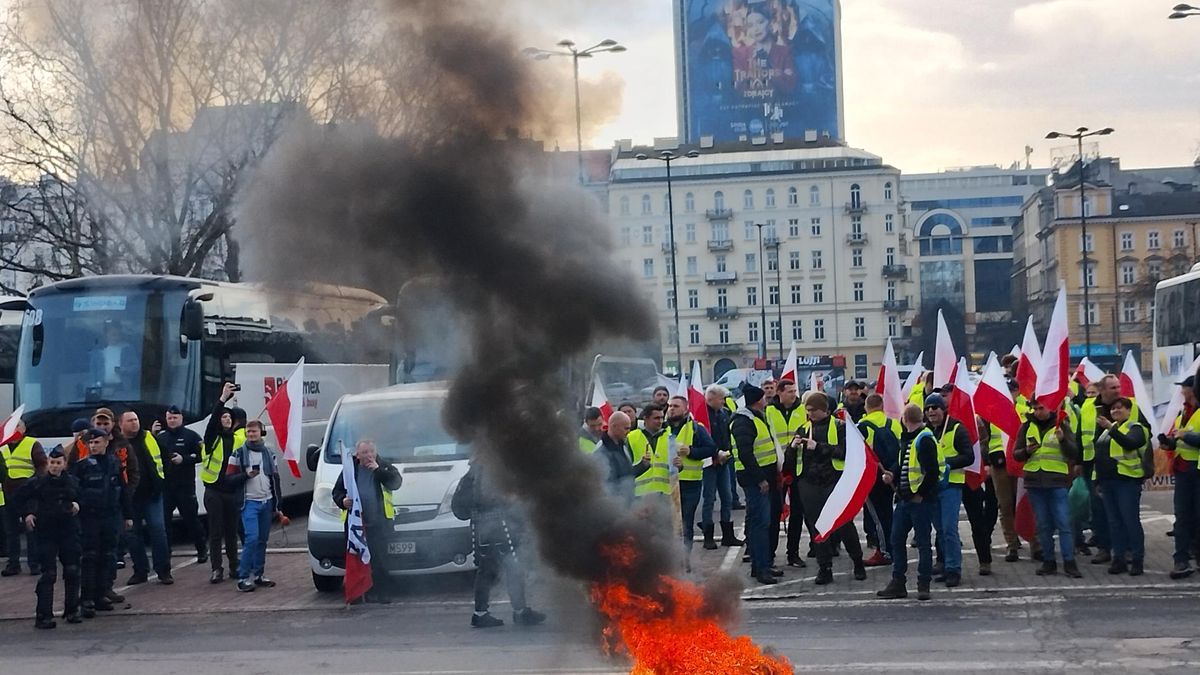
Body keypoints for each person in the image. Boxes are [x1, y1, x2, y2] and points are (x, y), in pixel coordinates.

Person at [464, 461, 545, 628]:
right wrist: (510, 498)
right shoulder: (488, 467)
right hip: (496, 526)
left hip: (488, 526)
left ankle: (485, 613)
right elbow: (488, 497)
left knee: (492, 569)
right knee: (509, 566)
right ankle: (515, 612)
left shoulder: (478, 467)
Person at [796, 392, 867, 585]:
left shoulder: (840, 427)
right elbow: (793, 460)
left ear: (824, 410)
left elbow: (845, 452)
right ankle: (824, 568)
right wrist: (793, 448)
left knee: (844, 524)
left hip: (834, 481)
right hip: (810, 483)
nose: (810, 414)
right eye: (808, 410)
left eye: (813, 410)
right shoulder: (803, 428)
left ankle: (858, 562)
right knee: (818, 528)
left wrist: (819, 447)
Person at [877, 404, 940, 601]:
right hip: (905, 499)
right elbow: (902, 463)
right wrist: (892, 474)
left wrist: (920, 493)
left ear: (905, 419)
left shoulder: (924, 439)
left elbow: (933, 472)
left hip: (919, 501)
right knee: (897, 539)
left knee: (921, 542)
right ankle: (900, 583)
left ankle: (922, 583)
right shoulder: (910, 439)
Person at [13, 447, 82, 628]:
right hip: (46, 531)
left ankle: (72, 610)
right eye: (52, 463)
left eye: (58, 463)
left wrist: (77, 504)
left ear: (64, 464)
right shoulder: (38, 483)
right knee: (48, 574)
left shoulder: (73, 482)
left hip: (68, 530)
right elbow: (18, 499)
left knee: (72, 570)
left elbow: (84, 498)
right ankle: (44, 615)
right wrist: (27, 514)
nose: (54, 466)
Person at [1014, 400, 1082, 578]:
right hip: (1035, 483)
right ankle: (1049, 561)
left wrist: (1063, 440)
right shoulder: (1026, 426)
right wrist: (1027, 451)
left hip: (1057, 482)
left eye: (1041, 408)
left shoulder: (1061, 425)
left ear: (1050, 407)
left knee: (1063, 523)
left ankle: (1069, 562)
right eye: (1035, 409)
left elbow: (1074, 452)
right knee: (1043, 525)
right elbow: (1016, 454)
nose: (1038, 412)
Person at [71, 428, 132, 618]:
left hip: (110, 516)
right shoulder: (82, 466)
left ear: (106, 442)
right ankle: (87, 599)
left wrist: (128, 515)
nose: (93, 446)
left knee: (108, 556)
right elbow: (73, 490)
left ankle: (101, 594)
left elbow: (122, 489)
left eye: (97, 442)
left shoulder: (114, 463)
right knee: (90, 557)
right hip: (89, 517)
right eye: (91, 443)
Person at [333, 439, 403, 602]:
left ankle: (383, 593)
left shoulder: (383, 466)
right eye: (365, 452)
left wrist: (378, 471)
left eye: (372, 451)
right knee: (358, 560)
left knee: (380, 560)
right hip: (357, 525)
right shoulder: (350, 469)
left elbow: (396, 483)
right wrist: (342, 501)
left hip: (379, 523)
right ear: (357, 455)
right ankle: (360, 593)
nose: (369, 455)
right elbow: (337, 491)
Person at [1095, 397, 1150, 576]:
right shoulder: (1107, 430)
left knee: (1130, 521)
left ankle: (1137, 560)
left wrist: (1110, 428)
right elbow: (1100, 455)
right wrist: (1097, 480)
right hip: (1108, 481)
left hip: (1127, 481)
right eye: (1113, 409)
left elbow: (1130, 443)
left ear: (1129, 410)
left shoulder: (1136, 428)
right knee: (1115, 523)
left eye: (1120, 408)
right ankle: (1118, 559)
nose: (1115, 411)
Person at [923, 394, 973, 587]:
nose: (931, 411)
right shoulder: (927, 431)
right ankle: (945, 564)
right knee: (941, 529)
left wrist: (946, 463)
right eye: (928, 408)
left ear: (943, 409)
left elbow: (968, 456)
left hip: (951, 485)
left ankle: (953, 569)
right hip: (934, 486)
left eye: (935, 407)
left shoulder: (957, 428)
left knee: (949, 529)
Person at [731, 384, 778, 585]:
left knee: (762, 522)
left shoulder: (755, 417)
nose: (766, 400)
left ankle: (761, 565)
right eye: (763, 398)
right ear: (758, 400)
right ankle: (761, 569)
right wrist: (760, 479)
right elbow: (745, 453)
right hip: (755, 481)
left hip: (763, 477)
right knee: (760, 524)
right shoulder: (744, 421)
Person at [119, 411, 171, 585]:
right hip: (129, 497)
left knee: (158, 530)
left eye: (136, 419)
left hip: (152, 494)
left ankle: (163, 570)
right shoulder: (118, 443)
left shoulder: (149, 437)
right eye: (130, 420)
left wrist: (161, 481)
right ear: (121, 424)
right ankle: (140, 571)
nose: (134, 423)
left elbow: (165, 457)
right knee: (133, 535)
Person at [200, 383, 246, 583]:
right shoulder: (213, 438)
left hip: (231, 491)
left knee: (231, 532)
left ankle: (234, 566)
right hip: (214, 491)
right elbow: (211, 423)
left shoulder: (236, 439)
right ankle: (216, 568)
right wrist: (222, 399)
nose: (226, 419)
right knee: (216, 532)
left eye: (229, 417)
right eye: (223, 417)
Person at [665, 395, 716, 571]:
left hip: (690, 483)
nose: (672, 409)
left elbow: (711, 448)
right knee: (669, 523)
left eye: (676, 406)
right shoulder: (663, 429)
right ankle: (670, 559)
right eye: (670, 406)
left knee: (686, 523)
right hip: (668, 483)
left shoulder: (695, 428)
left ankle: (684, 560)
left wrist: (692, 451)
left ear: (686, 409)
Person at [230, 420, 282, 592]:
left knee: (262, 540)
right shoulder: (238, 454)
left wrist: (278, 504)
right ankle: (243, 577)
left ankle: (259, 574)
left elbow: (275, 478)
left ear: (261, 433)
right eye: (249, 431)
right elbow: (228, 479)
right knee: (251, 538)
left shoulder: (269, 453)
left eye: (254, 431)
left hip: (266, 501)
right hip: (249, 502)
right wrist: (246, 475)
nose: (251, 434)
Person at [1078, 374, 1122, 564]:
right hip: (1093, 464)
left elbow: (1143, 431)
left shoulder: (1127, 405)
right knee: (1098, 509)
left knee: (1121, 510)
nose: (1118, 391)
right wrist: (1079, 461)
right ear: (1102, 390)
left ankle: (1125, 549)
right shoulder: (1088, 406)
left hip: (1120, 465)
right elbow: (1080, 433)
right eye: (1113, 388)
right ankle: (1104, 548)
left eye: (1118, 387)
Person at [1160, 375, 1200, 579]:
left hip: (1196, 470)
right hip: (1183, 470)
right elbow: (1178, 438)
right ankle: (1181, 560)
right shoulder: (1183, 412)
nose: (1182, 391)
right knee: (1182, 517)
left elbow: (1189, 437)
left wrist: (1185, 436)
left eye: (1184, 387)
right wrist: (1169, 443)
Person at [158, 406, 207, 564]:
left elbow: (202, 455)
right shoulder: (161, 437)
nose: (172, 421)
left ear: (181, 419)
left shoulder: (191, 436)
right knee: (164, 522)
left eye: (175, 418)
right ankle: (166, 553)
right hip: (166, 486)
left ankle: (202, 550)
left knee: (192, 520)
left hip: (185, 486)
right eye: (169, 418)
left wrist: (184, 459)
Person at [767, 379, 807, 568]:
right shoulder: (769, 411)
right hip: (777, 468)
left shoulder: (802, 410)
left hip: (798, 467)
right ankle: (770, 553)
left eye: (794, 391)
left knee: (797, 513)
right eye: (790, 391)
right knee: (774, 512)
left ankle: (793, 553)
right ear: (780, 392)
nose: (793, 394)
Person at [860, 393, 902, 567]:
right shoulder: (894, 424)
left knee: (877, 517)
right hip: (891, 475)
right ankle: (893, 547)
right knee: (888, 513)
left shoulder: (862, 426)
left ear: (866, 407)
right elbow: (901, 449)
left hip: (873, 477)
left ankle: (884, 551)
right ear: (882, 406)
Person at [2, 421, 47, 577]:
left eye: (17, 426)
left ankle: (34, 564)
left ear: (23, 429)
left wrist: (35, 483)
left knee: (31, 529)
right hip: (8, 494)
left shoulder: (32, 444)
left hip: (28, 493)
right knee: (11, 531)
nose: (14, 429)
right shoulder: (2, 446)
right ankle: (13, 564)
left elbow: (42, 466)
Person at [701, 385, 740, 549]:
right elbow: (703, 439)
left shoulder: (724, 414)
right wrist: (715, 454)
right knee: (709, 499)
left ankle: (727, 535)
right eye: (721, 399)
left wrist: (726, 453)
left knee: (727, 497)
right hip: (709, 463)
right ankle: (708, 536)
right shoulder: (702, 415)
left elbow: (727, 437)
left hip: (724, 460)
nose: (724, 402)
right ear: (711, 399)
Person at [591, 411, 645, 506]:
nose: (628, 431)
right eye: (626, 428)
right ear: (614, 426)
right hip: (615, 507)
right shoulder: (601, 451)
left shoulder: (623, 446)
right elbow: (606, 486)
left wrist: (642, 466)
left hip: (627, 504)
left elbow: (625, 474)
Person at [627, 403, 671, 501]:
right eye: (656, 418)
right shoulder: (631, 437)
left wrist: (680, 466)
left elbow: (676, 467)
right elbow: (625, 467)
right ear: (645, 419)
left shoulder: (670, 437)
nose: (660, 421)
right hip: (640, 495)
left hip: (665, 494)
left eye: (662, 418)